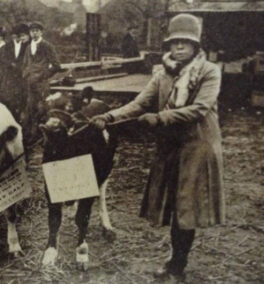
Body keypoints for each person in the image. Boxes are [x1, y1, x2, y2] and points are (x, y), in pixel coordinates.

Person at [93, 14, 225, 282]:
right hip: (170, 146)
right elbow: (140, 103)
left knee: (186, 208)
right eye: (174, 43)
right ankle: (175, 260)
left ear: (196, 46)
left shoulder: (209, 72)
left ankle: (177, 266)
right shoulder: (162, 74)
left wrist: (160, 117)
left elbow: (199, 109)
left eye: (185, 43)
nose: (178, 48)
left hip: (197, 145)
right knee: (174, 206)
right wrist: (110, 116)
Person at [22, 21, 60, 145]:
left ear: (41, 32)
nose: (34, 33)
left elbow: (56, 66)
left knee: (44, 109)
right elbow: (25, 63)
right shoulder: (28, 47)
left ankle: (46, 136)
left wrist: (43, 76)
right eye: (32, 31)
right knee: (31, 110)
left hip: (42, 84)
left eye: (37, 31)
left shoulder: (47, 46)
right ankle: (33, 136)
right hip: (30, 83)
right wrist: (26, 74)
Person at [0, 23, 29, 122]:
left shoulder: (27, 46)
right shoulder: (6, 47)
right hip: (9, 77)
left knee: (22, 100)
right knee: (7, 99)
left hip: (21, 77)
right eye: (14, 36)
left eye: (18, 36)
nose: (16, 38)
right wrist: (10, 64)